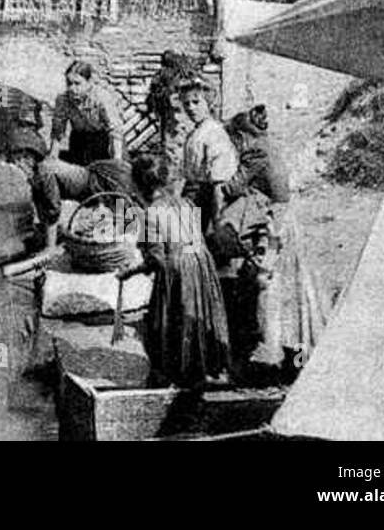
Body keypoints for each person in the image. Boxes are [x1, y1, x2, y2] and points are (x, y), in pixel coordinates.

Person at [222, 108, 330, 380]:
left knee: (269, 290)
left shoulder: (255, 152)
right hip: (285, 219)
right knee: (292, 291)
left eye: (234, 140)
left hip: (275, 225)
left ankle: (272, 359)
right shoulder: (270, 144)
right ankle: (295, 358)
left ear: (242, 137)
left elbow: (232, 187)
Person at [117, 155, 230, 388]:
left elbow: (156, 260)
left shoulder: (149, 214)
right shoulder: (186, 204)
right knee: (200, 316)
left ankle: (179, 376)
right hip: (201, 264)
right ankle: (208, 369)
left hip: (178, 270)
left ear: (139, 185)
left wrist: (129, 272)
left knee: (168, 323)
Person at [32, 61, 127, 251]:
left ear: (89, 82)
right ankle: (59, 230)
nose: (72, 88)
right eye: (69, 83)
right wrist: (52, 158)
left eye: (77, 83)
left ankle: (121, 234)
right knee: (80, 184)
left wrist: (115, 164)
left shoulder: (101, 98)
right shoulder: (63, 100)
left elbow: (115, 133)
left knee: (111, 188)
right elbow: (58, 133)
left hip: (105, 143)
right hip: (81, 141)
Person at [177, 78, 238, 237]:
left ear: (208, 103)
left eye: (196, 102)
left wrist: (217, 219)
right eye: (186, 103)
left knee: (196, 244)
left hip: (207, 198)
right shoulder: (195, 133)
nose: (190, 108)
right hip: (191, 197)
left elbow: (219, 183)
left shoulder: (214, 133)